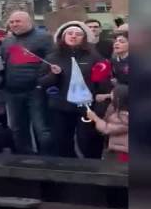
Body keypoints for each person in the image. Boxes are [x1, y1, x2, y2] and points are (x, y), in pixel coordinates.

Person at [39, 21, 107, 158]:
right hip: (60, 107)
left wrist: (100, 107)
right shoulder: (52, 57)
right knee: (62, 143)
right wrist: (54, 75)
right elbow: (42, 83)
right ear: (62, 37)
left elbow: (103, 84)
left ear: (84, 38)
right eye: (69, 33)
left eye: (78, 34)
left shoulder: (94, 57)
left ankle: (92, 170)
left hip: (87, 108)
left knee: (87, 142)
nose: (73, 36)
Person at [0, 10, 54, 155]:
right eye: (12, 22)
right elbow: (4, 63)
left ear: (29, 22)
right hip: (12, 90)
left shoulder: (44, 38)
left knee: (41, 128)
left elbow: (52, 62)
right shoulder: (7, 41)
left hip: (36, 90)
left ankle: (48, 159)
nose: (14, 24)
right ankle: (23, 158)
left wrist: (42, 82)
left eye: (18, 21)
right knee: (17, 128)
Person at [86, 84, 129, 162]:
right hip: (118, 148)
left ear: (118, 99)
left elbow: (106, 128)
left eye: (112, 94)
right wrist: (107, 96)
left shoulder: (125, 118)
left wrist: (95, 118)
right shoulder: (118, 109)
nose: (110, 94)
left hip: (123, 153)